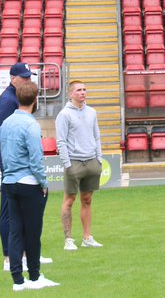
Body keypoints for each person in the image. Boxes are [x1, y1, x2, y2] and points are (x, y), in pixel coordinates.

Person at [0, 79, 60, 291]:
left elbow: (4, 153)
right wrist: (43, 183)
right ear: (35, 100)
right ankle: (34, 276)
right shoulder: (31, 125)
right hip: (28, 182)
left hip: (10, 181)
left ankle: (18, 280)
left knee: (15, 230)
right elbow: (36, 158)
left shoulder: (6, 123)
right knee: (33, 231)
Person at [57, 79, 104, 251]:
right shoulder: (64, 115)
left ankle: (87, 237)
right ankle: (68, 239)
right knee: (69, 200)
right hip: (74, 162)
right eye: (79, 90)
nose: (83, 92)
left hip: (92, 160)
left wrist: (99, 157)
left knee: (87, 200)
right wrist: (68, 164)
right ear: (71, 94)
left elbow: (96, 136)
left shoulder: (92, 112)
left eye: (84, 89)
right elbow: (61, 141)